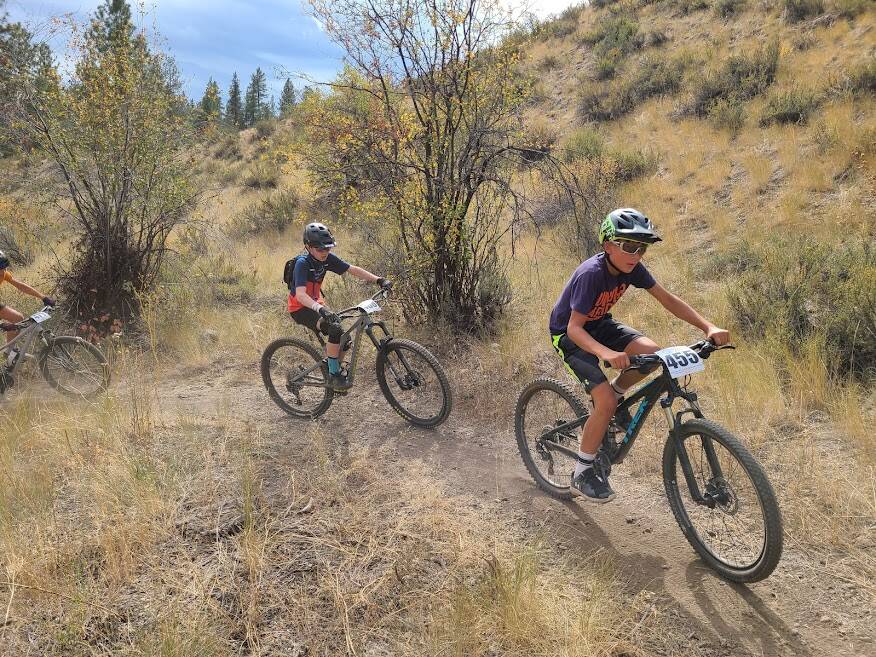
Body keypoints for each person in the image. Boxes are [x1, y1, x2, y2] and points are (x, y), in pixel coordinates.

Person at [549, 209, 729, 503]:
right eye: (629, 246)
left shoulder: (632, 269)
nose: (637, 254)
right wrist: (607, 353)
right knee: (603, 401)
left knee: (653, 353)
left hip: (599, 324)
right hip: (569, 335)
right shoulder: (591, 274)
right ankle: (581, 473)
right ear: (608, 246)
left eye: (642, 247)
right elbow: (574, 328)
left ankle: (618, 396)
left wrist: (707, 326)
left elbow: (667, 298)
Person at [288, 223, 391, 391]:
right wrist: (320, 309)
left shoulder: (326, 258)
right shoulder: (302, 263)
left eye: (327, 249)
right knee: (335, 329)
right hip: (300, 308)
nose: (325, 253)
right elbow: (300, 295)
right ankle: (334, 375)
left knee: (345, 339)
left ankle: (331, 368)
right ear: (308, 246)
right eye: (320, 249)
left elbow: (353, 269)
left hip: (315, 303)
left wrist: (378, 280)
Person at [0, 250, 55, 390]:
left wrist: (43, 297)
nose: (2, 273)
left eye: (3, 268)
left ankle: (9, 352)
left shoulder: (3, 274)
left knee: (17, 318)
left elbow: (21, 286)